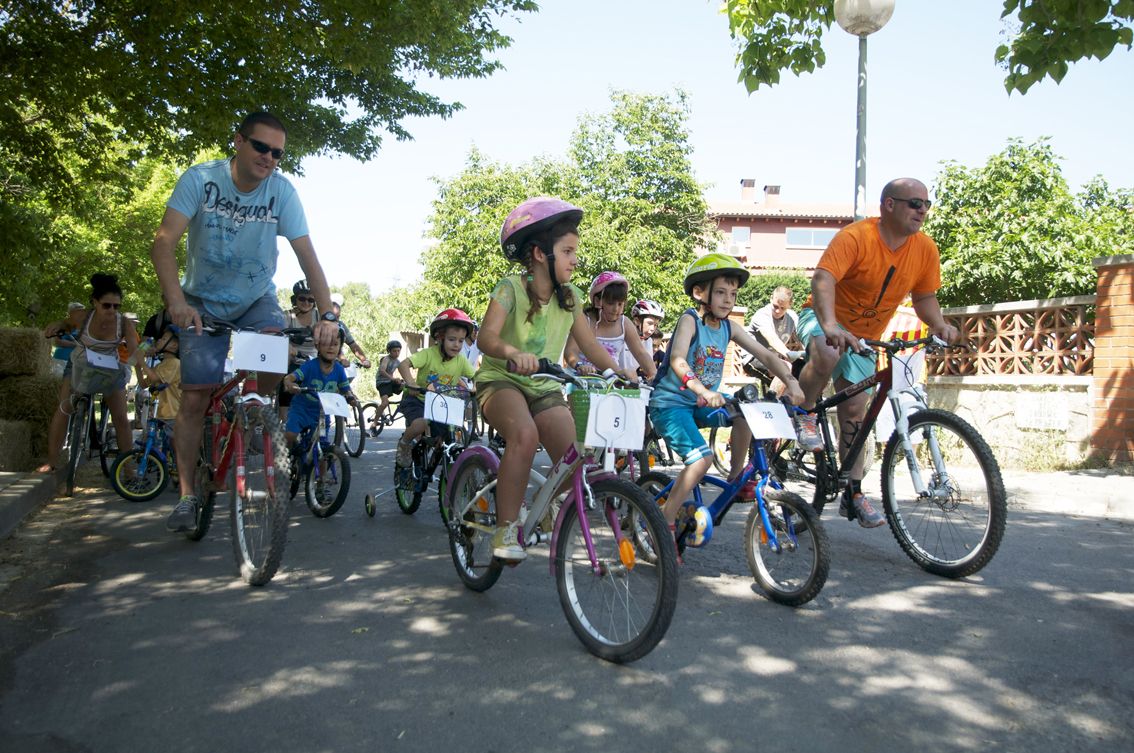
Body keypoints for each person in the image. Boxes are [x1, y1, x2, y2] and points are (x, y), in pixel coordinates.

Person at [149, 110, 339, 533]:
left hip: (256, 299)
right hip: (201, 303)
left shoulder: (282, 192)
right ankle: (186, 495)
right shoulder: (200, 180)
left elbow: (308, 257)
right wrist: (176, 302)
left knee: (274, 359)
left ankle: (249, 409)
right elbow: (163, 244)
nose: (269, 157)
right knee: (195, 399)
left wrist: (327, 315)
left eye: (278, 152)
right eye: (261, 147)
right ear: (238, 141)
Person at [476, 197, 636, 562]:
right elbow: (485, 338)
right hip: (501, 381)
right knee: (525, 435)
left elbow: (591, 344)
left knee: (580, 456)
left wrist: (618, 370)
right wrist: (513, 353)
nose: (575, 259)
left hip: (545, 386)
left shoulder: (572, 298)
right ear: (538, 254)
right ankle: (504, 527)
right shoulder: (509, 289)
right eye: (567, 251)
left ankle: (542, 504)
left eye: (575, 251)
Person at [794, 177, 960, 528]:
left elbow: (924, 298)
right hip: (825, 318)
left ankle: (852, 493)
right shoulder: (857, 237)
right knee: (827, 351)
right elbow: (823, 279)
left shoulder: (925, 249)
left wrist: (940, 324)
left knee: (855, 409)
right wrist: (830, 325)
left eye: (926, 205)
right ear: (889, 204)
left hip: (866, 336)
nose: (922, 211)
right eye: (915, 203)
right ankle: (804, 410)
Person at [649, 254, 804, 557]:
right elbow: (679, 359)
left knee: (747, 411)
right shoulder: (689, 320)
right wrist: (703, 390)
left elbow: (768, 354)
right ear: (700, 293)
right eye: (721, 292)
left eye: (733, 294)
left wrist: (792, 380)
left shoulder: (729, 328)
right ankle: (664, 522)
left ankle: (735, 478)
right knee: (701, 460)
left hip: (702, 401)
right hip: (670, 404)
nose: (728, 300)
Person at [38, 274, 139, 473]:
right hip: (80, 364)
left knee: (120, 417)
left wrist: (141, 373)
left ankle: (128, 467)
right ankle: (51, 462)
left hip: (109, 368)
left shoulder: (124, 324)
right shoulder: (82, 316)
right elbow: (66, 324)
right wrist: (58, 324)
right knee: (64, 407)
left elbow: (135, 352)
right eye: (106, 305)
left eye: (116, 306)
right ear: (94, 302)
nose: (111, 310)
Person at [394, 309, 476, 484]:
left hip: (442, 404)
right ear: (439, 337)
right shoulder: (429, 354)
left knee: (451, 436)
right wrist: (411, 383)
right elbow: (404, 364)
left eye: (461, 341)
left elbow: (476, 375)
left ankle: (442, 465)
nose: (457, 345)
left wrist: (477, 386)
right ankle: (405, 443)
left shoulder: (460, 360)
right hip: (418, 399)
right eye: (452, 339)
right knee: (420, 424)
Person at [564, 271, 657, 381]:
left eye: (620, 304)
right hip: (581, 383)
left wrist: (654, 374)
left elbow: (641, 353)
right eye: (610, 303)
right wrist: (579, 365)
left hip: (611, 384)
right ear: (597, 301)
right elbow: (570, 351)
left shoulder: (625, 323)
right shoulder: (584, 320)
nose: (616, 309)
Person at [282, 328, 358, 448]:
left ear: (339, 348)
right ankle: (285, 461)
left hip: (322, 413)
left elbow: (345, 389)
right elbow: (290, 378)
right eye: (326, 343)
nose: (331, 347)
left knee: (322, 446)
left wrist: (350, 397)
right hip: (302, 409)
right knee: (290, 435)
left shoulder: (339, 369)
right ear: (317, 346)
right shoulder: (310, 366)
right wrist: (291, 384)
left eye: (335, 344)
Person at [741, 286, 805, 386]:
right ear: (771, 298)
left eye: (782, 308)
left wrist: (810, 354)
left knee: (804, 369)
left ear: (790, 304)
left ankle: (812, 400)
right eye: (775, 306)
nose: (778, 311)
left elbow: (802, 337)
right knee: (784, 371)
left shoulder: (792, 317)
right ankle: (777, 400)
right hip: (753, 359)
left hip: (774, 360)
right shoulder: (762, 315)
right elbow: (771, 338)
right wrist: (788, 353)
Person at [279, 279, 320, 422]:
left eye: (310, 300)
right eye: (302, 298)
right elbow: (279, 335)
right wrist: (290, 348)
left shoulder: (318, 316)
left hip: (314, 356)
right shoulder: (287, 316)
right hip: (292, 355)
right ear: (295, 299)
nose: (306, 302)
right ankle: (284, 421)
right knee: (286, 378)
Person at [329, 292, 371, 368]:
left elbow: (353, 345)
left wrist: (364, 360)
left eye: (338, 317)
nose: (335, 320)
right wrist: (342, 359)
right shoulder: (320, 326)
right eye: (333, 317)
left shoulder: (341, 326)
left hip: (337, 366)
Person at [373, 340, 404, 432]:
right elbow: (382, 371)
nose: (397, 353)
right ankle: (374, 423)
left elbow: (403, 372)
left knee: (405, 386)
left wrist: (406, 381)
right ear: (389, 351)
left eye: (398, 351)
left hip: (390, 381)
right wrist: (393, 378)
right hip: (382, 382)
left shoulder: (398, 361)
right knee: (385, 403)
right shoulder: (386, 359)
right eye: (394, 351)